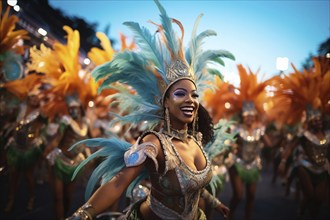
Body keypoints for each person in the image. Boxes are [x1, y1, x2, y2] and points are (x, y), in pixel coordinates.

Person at [66, 0, 235, 219]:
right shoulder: (154, 143)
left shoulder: (195, 141)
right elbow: (119, 183)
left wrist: (214, 202)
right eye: (180, 94)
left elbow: (194, 183)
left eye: (194, 95)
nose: (190, 100)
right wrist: (82, 215)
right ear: (165, 102)